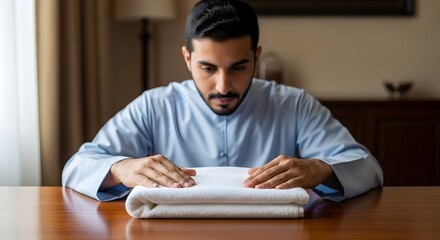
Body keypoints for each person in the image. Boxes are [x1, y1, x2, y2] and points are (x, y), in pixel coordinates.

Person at [62, 0, 383, 202]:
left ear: (256, 56)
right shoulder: (154, 106)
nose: (224, 85)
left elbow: (367, 168)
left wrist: (321, 169)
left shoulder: (294, 105)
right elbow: (76, 168)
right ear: (187, 58)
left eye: (239, 67)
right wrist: (122, 168)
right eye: (208, 68)